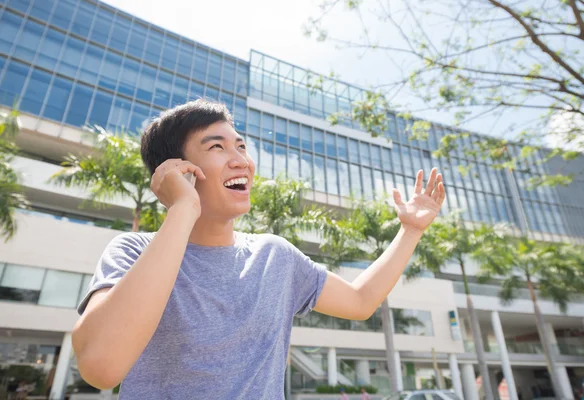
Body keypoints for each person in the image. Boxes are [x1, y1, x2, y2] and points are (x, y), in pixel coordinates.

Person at [71, 100, 445, 399]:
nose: (241, 161)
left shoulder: (274, 257)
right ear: (177, 170)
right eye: (217, 146)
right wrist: (183, 209)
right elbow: (101, 367)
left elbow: (361, 301)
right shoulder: (134, 251)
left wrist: (410, 231)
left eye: (242, 146)